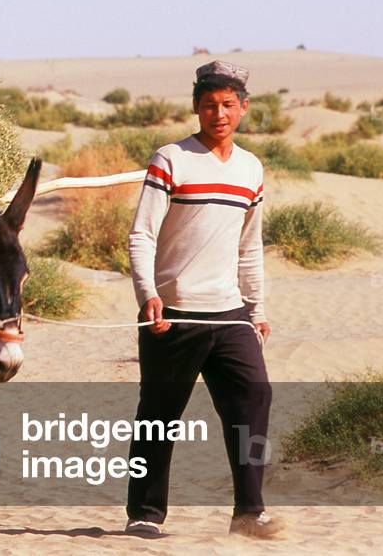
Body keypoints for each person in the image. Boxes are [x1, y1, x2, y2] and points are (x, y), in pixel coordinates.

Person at [123, 60, 284, 539]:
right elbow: (141, 235)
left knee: (254, 398)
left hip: (230, 313)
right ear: (196, 107)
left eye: (228, 105)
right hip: (173, 313)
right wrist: (148, 294)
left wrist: (256, 309)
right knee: (159, 414)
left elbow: (249, 245)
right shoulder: (170, 159)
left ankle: (249, 513)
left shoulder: (251, 168)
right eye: (210, 104)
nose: (219, 113)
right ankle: (145, 515)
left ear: (244, 108)